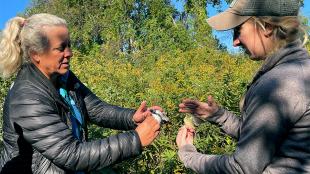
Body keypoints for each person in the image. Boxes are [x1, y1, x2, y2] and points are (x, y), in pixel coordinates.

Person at [0, 13, 162, 173]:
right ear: (36, 54)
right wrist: (136, 140)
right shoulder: (27, 98)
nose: (69, 53)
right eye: (61, 48)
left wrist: (132, 117)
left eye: (69, 45)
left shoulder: (62, 77)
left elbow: (96, 109)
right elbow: (71, 154)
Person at [176, 0, 310, 173]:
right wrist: (219, 116)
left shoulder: (279, 85)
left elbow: (241, 168)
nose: (235, 42)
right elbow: (261, 140)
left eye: (238, 29)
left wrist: (187, 153)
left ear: (267, 26)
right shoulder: (299, 72)